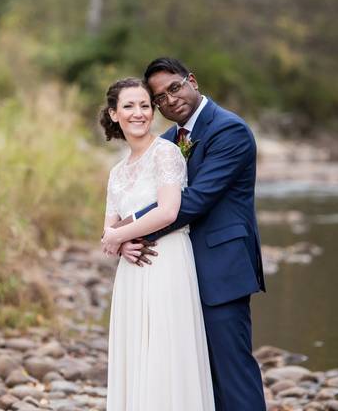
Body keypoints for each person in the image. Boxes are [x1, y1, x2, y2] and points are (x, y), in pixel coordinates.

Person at [113, 57, 267, 411]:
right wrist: (124, 236)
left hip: (221, 268)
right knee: (195, 377)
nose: (170, 100)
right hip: (176, 274)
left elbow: (196, 200)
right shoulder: (168, 142)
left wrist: (129, 232)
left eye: (175, 87)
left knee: (232, 372)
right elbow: (146, 194)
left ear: (192, 81)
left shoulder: (230, 130)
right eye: (160, 98)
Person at [98, 77, 215, 411]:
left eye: (145, 106)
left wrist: (118, 237)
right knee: (136, 352)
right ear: (114, 113)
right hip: (132, 271)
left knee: (165, 352)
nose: (139, 113)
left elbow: (168, 211)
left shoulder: (166, 153)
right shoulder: (117, 171)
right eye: (129, 106)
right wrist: (120, 244)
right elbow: (109, 226)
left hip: (167, 263)